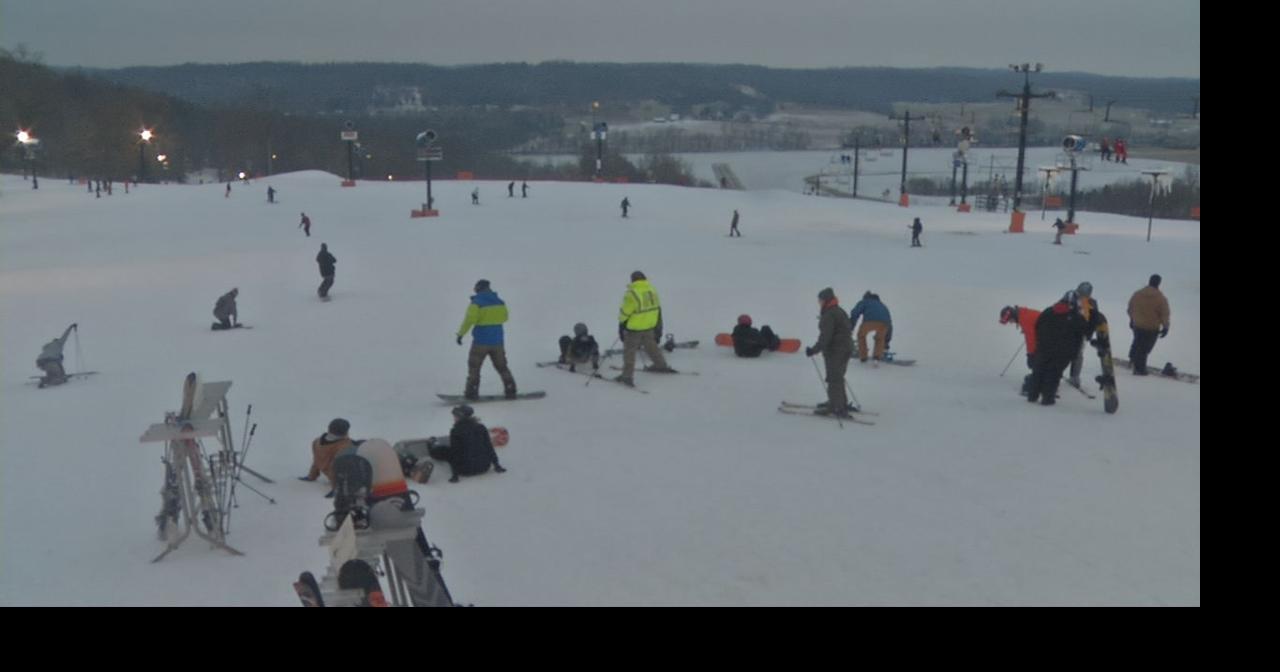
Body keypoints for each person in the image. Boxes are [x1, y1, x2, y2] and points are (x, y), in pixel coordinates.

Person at [456, 279, 518, 400]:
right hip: (497, 342)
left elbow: (469, 320)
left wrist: (460, 334)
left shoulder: (476, 303)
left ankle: (472, 393)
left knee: (474, 368)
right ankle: (510, 389)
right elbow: (505, 318)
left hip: (480, 342)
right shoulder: (500, 302)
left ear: (478, 289)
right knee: (502, 367)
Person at [1026, 293, 1089, 406]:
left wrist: (1040, 344)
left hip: (1044, 349)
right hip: (1063, 352)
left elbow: (1037, 327)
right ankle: (1047, 399)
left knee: (1038, 371)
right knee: (1053, 374)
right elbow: (1082, 334)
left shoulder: (1048, 311)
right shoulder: (1076, 317)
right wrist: (1074, 353)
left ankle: (1032, 395)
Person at [615, 271, 675, 386]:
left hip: (634, 327)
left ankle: (627, 376)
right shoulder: (652, 290)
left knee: (629, 351)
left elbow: (625, 312)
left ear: (633, 280)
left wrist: (622, 323)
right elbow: (657, 308)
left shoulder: (631, 293)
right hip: (649, 324)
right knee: (651, 345)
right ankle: (661, 365)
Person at [804, 288, 854, 417]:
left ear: (826, 300)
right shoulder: (839, 311)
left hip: (836, 350)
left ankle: (836, 407)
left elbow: (826, 337)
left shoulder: (829, 314)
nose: (819, 303)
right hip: (846, 348)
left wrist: (814, 350)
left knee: (833, 378)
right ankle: (839, 402)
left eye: (820, 300)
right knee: (838, 377)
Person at [427, 405, 506, 483]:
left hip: (465, 470)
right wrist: (497, 465)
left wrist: (455, 475)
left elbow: (455, 454)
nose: (454, 418)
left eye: (455, 416)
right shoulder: (481, 427)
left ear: (460, 417)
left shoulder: (456, 431)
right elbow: (489, 447)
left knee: (446, 451)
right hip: (484, 467)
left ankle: (433, 448)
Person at [1127, 274, 1171, 375]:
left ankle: (1132, 359)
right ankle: (1139, 369)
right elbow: (1165, 313)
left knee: (1137, 342)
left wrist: (1132, 319)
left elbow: (1130, 308)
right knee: (1145, 348)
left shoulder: (1137, 294)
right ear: (1159, 283)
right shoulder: (1161, 298)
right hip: (1152, 327)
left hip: (1138, 324)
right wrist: (1165, 327)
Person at [299, 418, 355, 498]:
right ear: (345, 432)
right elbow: (338, 468)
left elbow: (316, 461)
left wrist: (311, 476)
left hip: (326, 470)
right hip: (339, 478)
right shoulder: (344, 447)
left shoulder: (317, 441)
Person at [1067, 282, 1104, 388]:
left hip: (1080, 332)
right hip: (1070, 331)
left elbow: (1094, 319)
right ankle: (1067, 376)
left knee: (1077, 354)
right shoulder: (1071, 297)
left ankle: (1074, 377)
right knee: (1070, 353)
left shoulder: (1090, 302)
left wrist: (1089, 333)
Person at [1000, 305, 1042, 394]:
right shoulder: (1023, 314)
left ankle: (1041, 381)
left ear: (1013, 316)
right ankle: (1040, 376)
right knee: (1037, 359)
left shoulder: (1025, 319)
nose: (1011, 323)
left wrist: (1031, 354)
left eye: (1010, 320)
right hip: (1046, 334)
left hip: (1051, 336)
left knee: (1037, 359)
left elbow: (1031, 340)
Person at [849, 291, 893, 363]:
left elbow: (855, 313)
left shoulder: (865, 302)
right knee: (880, 338)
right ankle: (877, 357)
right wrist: (886, 342)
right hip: (884, 323)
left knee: (861, 335)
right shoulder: (882, 305)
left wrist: (851, 326)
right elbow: (889, 323)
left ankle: (863, 356)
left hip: (869, 321)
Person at [35, 323, 77, 387]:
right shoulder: (59, 343)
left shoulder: (48, 347)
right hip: (49, 361)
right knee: (59, 379)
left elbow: (59, 364)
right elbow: (65, 335)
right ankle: (46, 381)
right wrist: (71, 327)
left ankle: (50, 377)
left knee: (53, 371)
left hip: (40, 362)